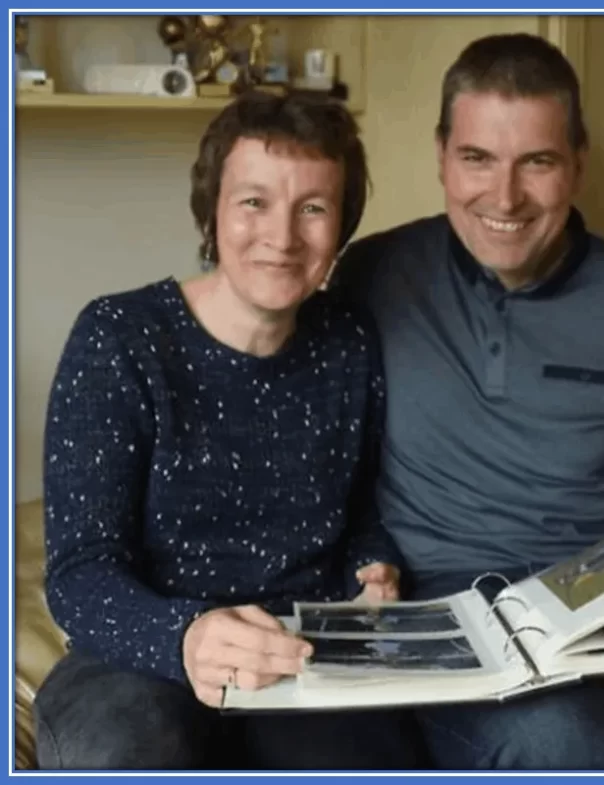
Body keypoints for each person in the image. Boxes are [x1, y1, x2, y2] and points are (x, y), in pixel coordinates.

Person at [329, 33, 604, 769]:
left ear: (578, 165)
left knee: (577, 730)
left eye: (538, 162)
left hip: (593, 615)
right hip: (430, 611)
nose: (505, 198)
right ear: (440, 155)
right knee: (554, 738)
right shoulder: (372, 275)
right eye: (477, 159)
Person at [35, 92, 415, 770]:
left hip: (303, 647)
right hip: (139, 656)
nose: (283, 235)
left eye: (314, 208)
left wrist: (373, 564)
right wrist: (184, 634)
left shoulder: (349, 341)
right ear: (212, 209)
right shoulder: (119, 338)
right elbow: (79, 570)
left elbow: (360, 511)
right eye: (253, 202)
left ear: (342, 228)